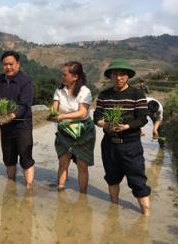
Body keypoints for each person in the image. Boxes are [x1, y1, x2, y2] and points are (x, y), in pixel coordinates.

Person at [94, 58, 151, 215]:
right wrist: (105, 125)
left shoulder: (137, 93)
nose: (118, 78)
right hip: (109, 144)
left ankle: (146, 216)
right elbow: (97, 116)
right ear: (110, 76)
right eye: (115, 74)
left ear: (127, 76)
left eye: (122, 74)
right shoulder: (104, 95)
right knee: (112, 177)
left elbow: (142, 118)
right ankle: (114, 211)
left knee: (137, 180)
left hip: (130, 144)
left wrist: (126, 126)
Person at [0, 51, 35, 188]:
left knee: (26, 158)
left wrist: (11, 116)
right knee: (9, 158)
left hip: (22, 126)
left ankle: (29, 187)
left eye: (11, 64)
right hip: (5, 127)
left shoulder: (26, 82)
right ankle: (11, 185)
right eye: (5, 64)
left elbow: (25, 104)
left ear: (18, 64)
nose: (8, 67)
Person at [52, 61, 95, 193]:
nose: (62, 77)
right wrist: (53, 114)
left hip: (83, 132)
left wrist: (61, 117)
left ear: (75, 77)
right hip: (64, 131)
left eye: (65, 75)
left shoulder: (85, 91)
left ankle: (83, 195)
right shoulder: (60, 90)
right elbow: (54, 109)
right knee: (63, 162)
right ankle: (60, 190)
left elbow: (82, 113)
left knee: (82, 165)